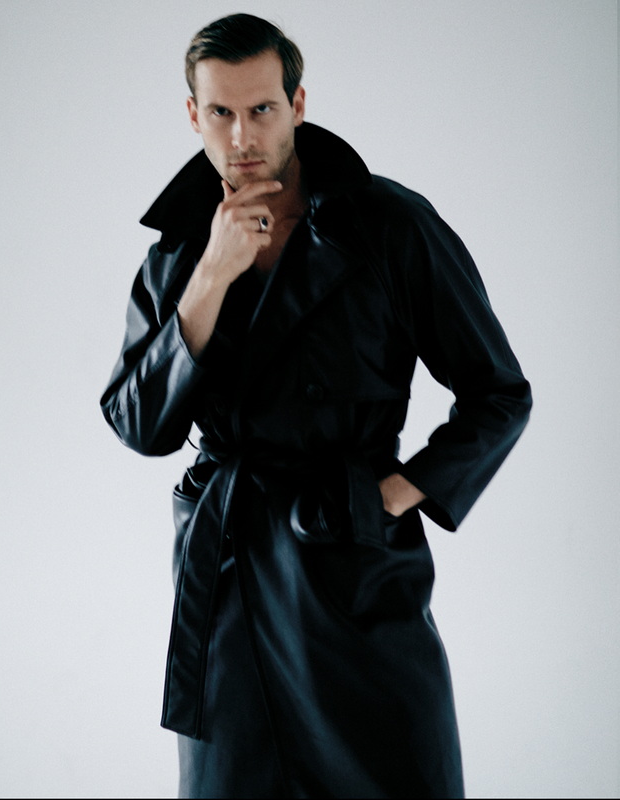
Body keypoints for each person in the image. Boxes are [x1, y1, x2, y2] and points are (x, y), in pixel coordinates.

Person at [100, 12, 532, 799]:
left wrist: (393, 494)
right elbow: (138, 425)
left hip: (350, 558)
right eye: (221, 112)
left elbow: (497, 392)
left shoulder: (389, 226)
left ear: (297, 104)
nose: (242, 136)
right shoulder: (177, 250)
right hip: (225, 572)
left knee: (396, 774)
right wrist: (211, 278)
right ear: (192, 115)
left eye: (261, 109)